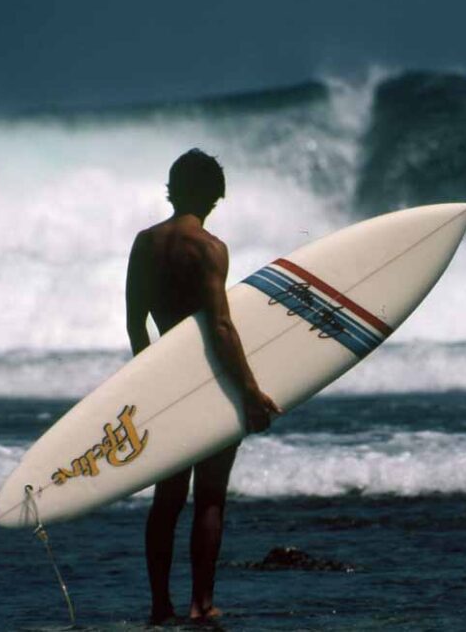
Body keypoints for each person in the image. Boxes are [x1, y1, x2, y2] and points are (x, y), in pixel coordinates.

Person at [125, 148, 281, 624]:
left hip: (166, 382)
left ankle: (159, 605)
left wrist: (154, 378)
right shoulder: (210, 248)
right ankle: (201, 603)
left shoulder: (144, 243)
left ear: (174, 188)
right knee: (210, 496)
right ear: (213, 193)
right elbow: (220, 328)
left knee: (167, 497)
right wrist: (251, 392)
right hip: (211, 380)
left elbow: (136, 326)